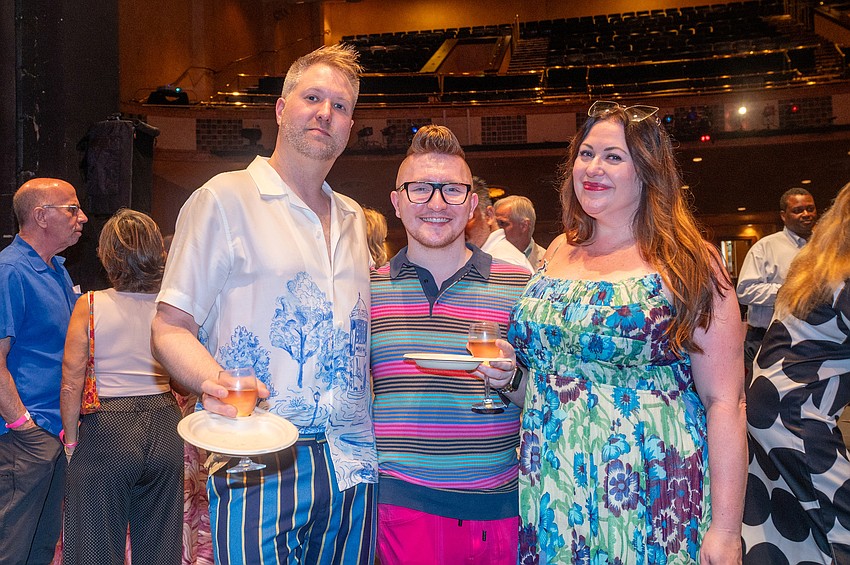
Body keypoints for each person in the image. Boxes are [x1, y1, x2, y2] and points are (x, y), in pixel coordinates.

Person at [151, 44, 377, 565]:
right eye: (313, 97)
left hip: (353, 463)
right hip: (259, 457)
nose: (326, 112)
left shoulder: (353, 217)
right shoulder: (223, 200)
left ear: (350, 127)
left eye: (341, 106)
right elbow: (169, 326)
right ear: (280, 108)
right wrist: (213, 382)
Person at [508, 101, 747, 563]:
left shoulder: (688, 262)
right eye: (586, 153)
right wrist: (509, 377)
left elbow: (726, 402)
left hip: (649, 485)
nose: (593, 168)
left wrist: (726, 531)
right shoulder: (558, 250)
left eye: (613, 156)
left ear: (648, 172)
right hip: (555, 484)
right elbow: (555, 381)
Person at [371, 124, 531, 564]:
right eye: (420, 189)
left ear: (473, 205)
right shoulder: (366, 291)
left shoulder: (521, 286)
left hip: (496, 507)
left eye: (452, 191)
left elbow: (545, 398)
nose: (437, 203)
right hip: (399, 507)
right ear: (397, 202)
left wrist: (510, 377)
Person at [60, 208, 183, 564]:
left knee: (93, 547)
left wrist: (71, 440)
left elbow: (71, 382)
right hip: (165, 422)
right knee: (160, 545)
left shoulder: (91, 305)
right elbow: (181, 380)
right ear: (158, 253)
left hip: (107, 428)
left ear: (108, 255)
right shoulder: (169, 309)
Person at [743, 181, 850, 564]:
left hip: (774, 408)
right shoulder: (843, 276)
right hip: (797, 413)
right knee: (841, 526)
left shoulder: (821, 264)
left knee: (791, 533)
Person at [0, 178, 88, 564]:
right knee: (12, 549)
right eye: (71, 209)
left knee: (39, 547)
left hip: (52, 434)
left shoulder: (56, 270)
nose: (82, 218)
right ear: (41, 216)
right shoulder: (10, 272)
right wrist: (23, 426)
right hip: (23, 440)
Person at [736, 187, 817, 382]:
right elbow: (745, 291)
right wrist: (790, 291)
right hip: (768, 338)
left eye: (810, 208)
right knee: (766, 402)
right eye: (798, 210)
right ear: (783, 215)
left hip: (812, 339)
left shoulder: (824, 248)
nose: (806, 214)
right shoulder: (766, 247)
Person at [465, 177, 533, 273]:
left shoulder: (506, 263)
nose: (459, 226)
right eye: (452, 218)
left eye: (468, 216)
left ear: (489, 215)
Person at [494, 195, 546, 269]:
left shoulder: (548, 262)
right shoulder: (486, 256)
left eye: (502, 223)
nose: (495, 229)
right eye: (494, 223)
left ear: (524, 226)